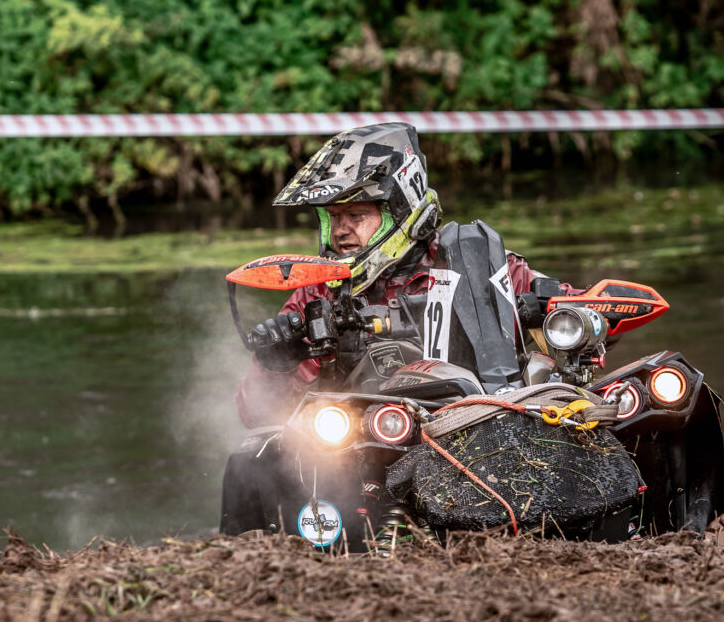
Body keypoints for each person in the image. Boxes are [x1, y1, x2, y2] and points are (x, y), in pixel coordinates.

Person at [235, 122, 579, 428]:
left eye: (356, 216)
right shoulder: (318, 293)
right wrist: (274, 364)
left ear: (399, 210)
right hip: (363, 446)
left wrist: (557, 311)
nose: (340, 230)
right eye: (333, 218)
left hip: (484, 420)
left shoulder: (480, 265)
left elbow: (584, 310)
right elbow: (255, 416)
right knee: (250, 462)